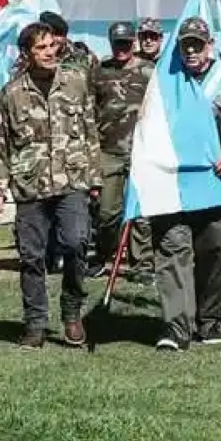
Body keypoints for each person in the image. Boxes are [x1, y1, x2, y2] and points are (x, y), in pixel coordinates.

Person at [0, 21, 101, 349]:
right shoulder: (12, 92)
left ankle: (71, 312)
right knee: (31, 256)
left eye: (52, 45)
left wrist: (94, 177)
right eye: (41, 48)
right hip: (30, 185)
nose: (50, 52)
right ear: (27, 53)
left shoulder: (76, 82)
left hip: (72, 180)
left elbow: (90, 128)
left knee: (77, 242)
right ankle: (35, 323)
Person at [152, 17, 221, 352]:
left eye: (198, 43)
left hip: (215, 180)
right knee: (172, 250)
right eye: (186, 45)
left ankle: (208, 321)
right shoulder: (164, 80)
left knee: (213, 252)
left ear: (210, 45)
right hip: (172, 181)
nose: (192, 50)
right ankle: (176, 327)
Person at [91, 21, 153, 281]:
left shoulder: (149, 71)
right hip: (108, 151)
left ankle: (142, 265)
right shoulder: (99, 72)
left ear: (133, 43)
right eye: (117, 43)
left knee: (142, 213)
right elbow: (89, 111)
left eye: (126, 43)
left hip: (142, 151)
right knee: (107, 213)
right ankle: (104, 254)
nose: (121, 49)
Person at [40, 10, 99, 85]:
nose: (54, 39)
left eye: (58, 34)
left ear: (65, 36)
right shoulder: (33, 56)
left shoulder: (83, 56)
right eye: (50, 34)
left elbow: (98, 84)